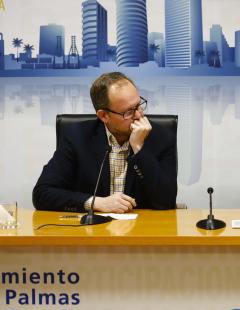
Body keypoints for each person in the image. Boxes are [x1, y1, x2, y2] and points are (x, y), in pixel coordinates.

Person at [32, 72, 177, 213]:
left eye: (139, 105)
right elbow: (42, 194)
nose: (139, 115)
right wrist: (97, 203)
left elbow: (166, 201)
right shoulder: (77, 137)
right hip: (93, 231)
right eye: (128, 112)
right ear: (103, 116)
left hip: (142, 230)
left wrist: (139, 149)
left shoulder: (160, 136)